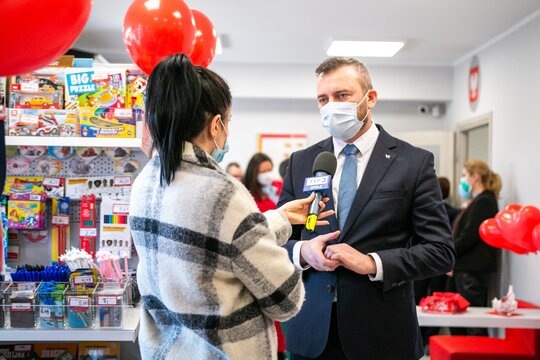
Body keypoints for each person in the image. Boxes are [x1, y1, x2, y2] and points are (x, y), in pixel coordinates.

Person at [129, 54, 337, 360]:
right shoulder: (221, 192)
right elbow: (285, 299)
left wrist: (279, 219)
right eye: (228, 122)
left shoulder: (146, 181)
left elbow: (208, 242)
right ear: (215, 126)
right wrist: (301, 254)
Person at [278, 56, 455, 360]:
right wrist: (302, 253)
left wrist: (372, 262)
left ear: (370, 98)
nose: (331, 106)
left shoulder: (413, 163)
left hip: (382, 332)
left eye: (342, 95)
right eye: (323, 98)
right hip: (310, 332)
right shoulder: (303, 162)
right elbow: (277, 240)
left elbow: (440, 250)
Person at [448, 160, 502, 336]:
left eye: (464, 175)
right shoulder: (478, 201)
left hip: (472, 271)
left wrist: (448, 256)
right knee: (462, 322)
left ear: (475, 177)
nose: (462, 180)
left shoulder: (484, 201)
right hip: (466, 269)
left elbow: (469, 236)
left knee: (473, 323)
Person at [243, 153, 287, 359]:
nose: (268, 175)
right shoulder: (246, 197)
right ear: (254, 172)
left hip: (278, 257)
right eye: (263, 171)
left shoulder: (274, 190)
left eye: (270, 169)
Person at [414, 176, 461, 350]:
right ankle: (429, 339)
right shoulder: (454, 212)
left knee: (419, 299)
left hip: (420, 260)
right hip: (438, 263)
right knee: (436, 300)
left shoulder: (421, 210)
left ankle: (420, 338)